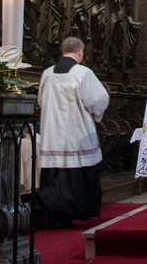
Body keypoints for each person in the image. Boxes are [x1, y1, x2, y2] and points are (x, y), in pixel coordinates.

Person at [35, 36, 109, 229]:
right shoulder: (83, 73)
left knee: (56, 176)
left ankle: (56, 214)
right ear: (80, 52)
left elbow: (41, 101)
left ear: (62, 51)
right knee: (77, 176)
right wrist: (96, 115)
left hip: (52, 135)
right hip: (76, 134)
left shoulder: (47, 74)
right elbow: (98, 99)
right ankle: (73, 210)